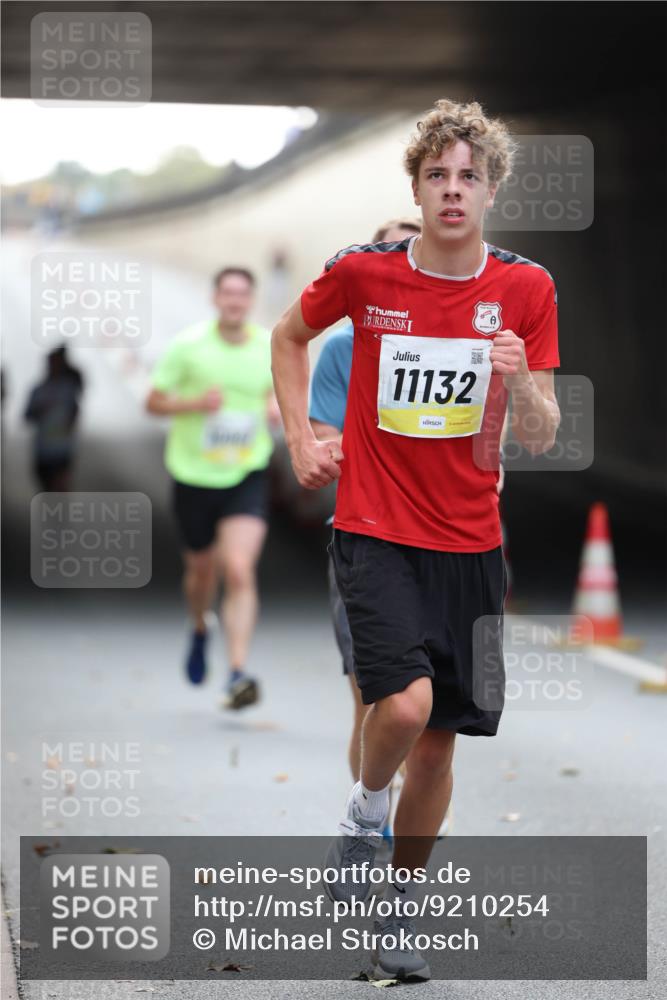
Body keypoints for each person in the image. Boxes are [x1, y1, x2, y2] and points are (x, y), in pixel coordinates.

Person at [272, 98, 560, 980]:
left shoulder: (526, 289)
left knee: (437, 747)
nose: (452, 189)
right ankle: (363, 816)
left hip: (471, 546)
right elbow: (288, 335)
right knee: (401, 707)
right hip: (375, 530)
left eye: (469, 176)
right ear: (416, 188)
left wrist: (523, 383)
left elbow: (542, 432)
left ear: (491, 190)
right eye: (437, 175)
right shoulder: (363, 275)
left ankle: (398, 910)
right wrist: (301, 438)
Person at [147, 267, 279, 710]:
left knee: (238, 568)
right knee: (202, 571)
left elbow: (279, 391)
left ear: (251, 300)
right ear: (215, 298)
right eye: (228, 293)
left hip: (246, 471)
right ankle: (200, 625)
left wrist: (274, 406)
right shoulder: (188, 346)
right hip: (194, 475)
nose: (235, 301)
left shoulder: (268, 345)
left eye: (242, 294)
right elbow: (153, 401)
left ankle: (237, 672)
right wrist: (196, 403)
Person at [24, 346, 84, 491]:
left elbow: (75, 410)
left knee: (58, 489)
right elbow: (27, 416)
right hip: (44, 450)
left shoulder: (67, 389)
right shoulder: (39, 391)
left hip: (62, 450)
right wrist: (40, 411)